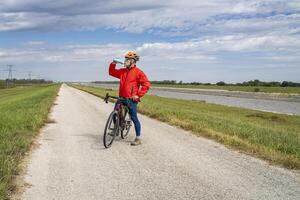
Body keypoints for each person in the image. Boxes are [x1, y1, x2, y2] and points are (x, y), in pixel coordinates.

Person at [109, 51, 151, 146]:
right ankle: (116, 130)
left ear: (133, 61)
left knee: (134, 118)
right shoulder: (123, 71)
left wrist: (138, 95)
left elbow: (146, 85)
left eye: (128, 60)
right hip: (121, 98)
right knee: (115, 114)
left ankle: (138, 138)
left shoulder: (138, 72)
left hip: (131, 100)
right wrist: (113, 64)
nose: (126, 61)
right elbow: (111, 72)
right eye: (126, 59)